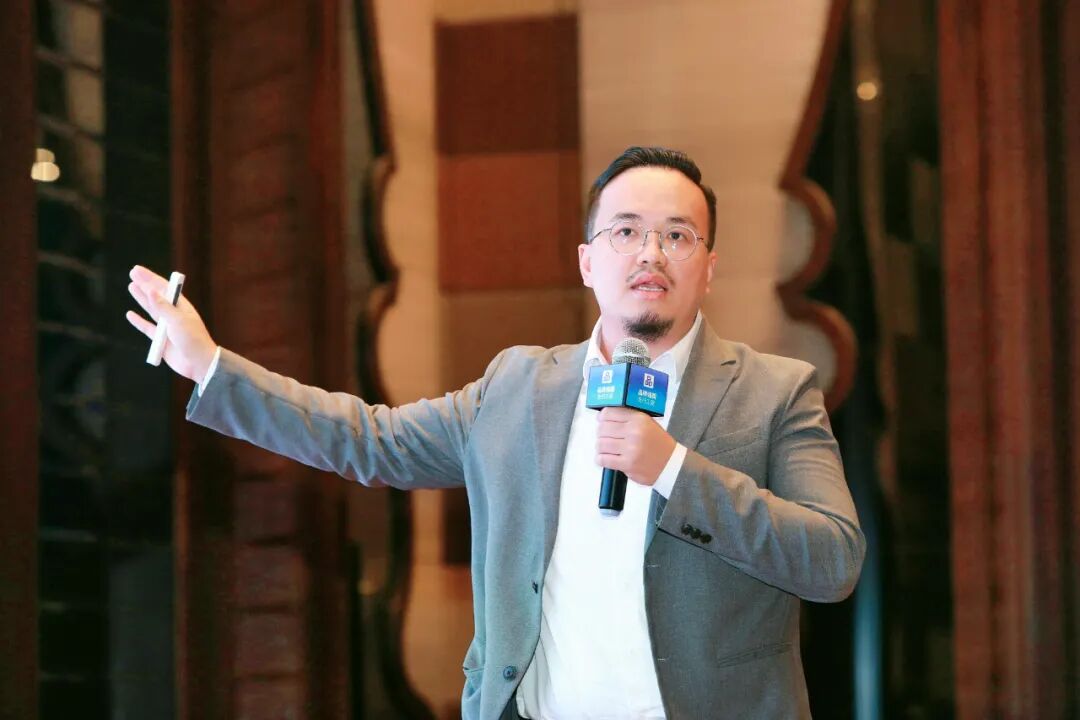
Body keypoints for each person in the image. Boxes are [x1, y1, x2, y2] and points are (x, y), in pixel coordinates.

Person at [127, 146, 864, 719]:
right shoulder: (517, 388)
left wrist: (673, 468)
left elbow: (833, 559)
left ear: (708, 267)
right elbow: (369, 440)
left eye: (677, 235)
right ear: (587, 262)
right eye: (626, 231)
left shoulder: (775, 392)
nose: (650, 252)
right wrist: (210, 366)